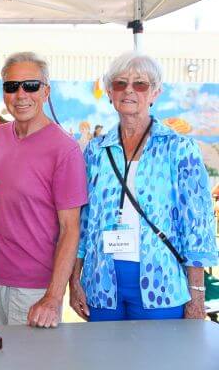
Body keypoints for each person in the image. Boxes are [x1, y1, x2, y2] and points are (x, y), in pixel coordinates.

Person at [69, 52, 218, 322]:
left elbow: (197, 225)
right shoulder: (95, 150)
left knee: (157, 362)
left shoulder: (179, 149)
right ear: (110, 92)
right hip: (101, 280)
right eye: (119, 83)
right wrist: (74, 281)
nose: (129, 90)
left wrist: (196, 294)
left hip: (161, 282)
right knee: (103, 361)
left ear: (155, 93)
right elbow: (83, 220)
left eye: (140, 84)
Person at [0, 52, 87, 328]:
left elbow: (71, 229)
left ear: (46, 91)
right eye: (12, 86)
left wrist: (53, 297)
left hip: (34, 291)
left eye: (30, 85)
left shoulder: (64, 150)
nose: (21, 95)